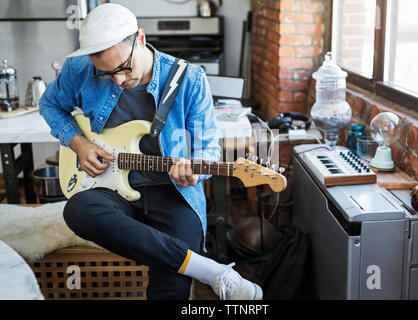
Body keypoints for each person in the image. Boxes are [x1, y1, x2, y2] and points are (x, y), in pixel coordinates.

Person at [39, 3, 262, 300]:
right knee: (77, 210)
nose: (117, 80)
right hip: (109, 189)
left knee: (170, 286)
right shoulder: (78, 69)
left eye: (123, 68)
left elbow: (207, 150)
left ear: (140, 39)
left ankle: (203, 270)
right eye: (105, 74)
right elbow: (49, 105)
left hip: (171, 192)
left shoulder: (190, 79)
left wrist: (194, 172)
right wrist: (79, 143)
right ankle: (209, 270)